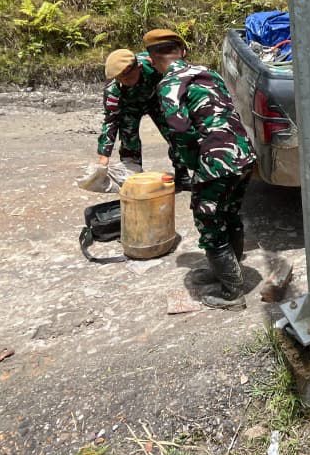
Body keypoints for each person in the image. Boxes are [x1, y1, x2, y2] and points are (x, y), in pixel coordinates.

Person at [144, 29, 257, 310]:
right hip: (244, 154)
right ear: (182, 51)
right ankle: (229, 270)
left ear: (152, 60)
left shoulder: (169, 84)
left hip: (216, 160)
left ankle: (232, 293)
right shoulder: (207, 72)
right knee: (229, 213)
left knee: (208, 222)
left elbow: (180, 130)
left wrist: (193, 164)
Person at [97, 48, 190, 188]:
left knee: (174, 132)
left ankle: (182, 174)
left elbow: (178, 78)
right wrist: (104, 155)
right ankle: (132, 177)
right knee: (129, 139)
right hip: (129, 108)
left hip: (156, 101)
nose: (125, 81)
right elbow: (111, 121)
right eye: (121, 79)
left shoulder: (154, 65)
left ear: (138, 68)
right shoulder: (113, 89)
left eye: (128, 77)